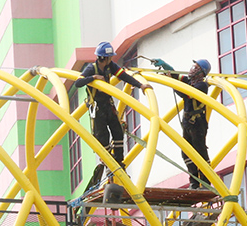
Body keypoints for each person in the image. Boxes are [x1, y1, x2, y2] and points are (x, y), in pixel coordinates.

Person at [73, 42, 152, 190]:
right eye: (110, 57)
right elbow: (78, 83)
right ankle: (110, 164)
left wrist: (141, 85)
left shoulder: (111, 67)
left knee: (117, 132)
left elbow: (124, 76)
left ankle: (119, 163)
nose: (111, 60)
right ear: (105, 58)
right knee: (102, 137)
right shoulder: (91, 69)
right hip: (97, 108)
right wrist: (93, 78)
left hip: (108, 105)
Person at [154, 57, 213, 189]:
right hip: (188, 122)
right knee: (186, 153)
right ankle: (194, 181)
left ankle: (206, 182)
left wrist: (172, 83)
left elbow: (185, 93)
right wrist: (165, 66)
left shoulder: (201, 85)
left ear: (201, 73)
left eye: (196, 68)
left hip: (197, 123)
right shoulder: (190, 81)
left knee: (200, 151)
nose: (193, 69)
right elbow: (176, 75)